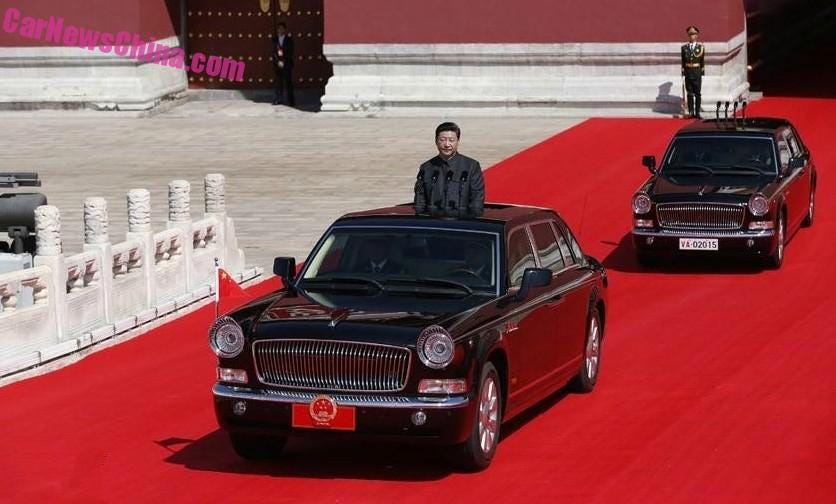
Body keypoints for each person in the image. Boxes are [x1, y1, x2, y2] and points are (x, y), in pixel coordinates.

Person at [414, 122, 485, 217]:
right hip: (432, 223)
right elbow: (420, 199)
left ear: (458, 141)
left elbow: (477, 201)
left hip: (462, 223)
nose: (447, 144)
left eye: (451, 140)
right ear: (436, 141)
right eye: (442, 140)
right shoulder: (426, 167)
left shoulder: (471, 166)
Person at [681, 25, 705, 119]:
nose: (692, 36)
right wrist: (683, 73)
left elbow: (702, 62)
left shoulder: (701, 47)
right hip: (688, 72)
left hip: (697, 72)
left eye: (694, 34)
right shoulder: (684, 48)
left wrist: (702, 73)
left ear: (697, 36)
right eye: (690, 34)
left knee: (697, 93)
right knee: (689, 93)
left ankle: (697, 112)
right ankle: (691, 112)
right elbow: (683, 62)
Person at [271, 22, 295, 106]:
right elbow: (273, 52)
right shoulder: (274, 40)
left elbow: (290, 52)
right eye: (279, 28)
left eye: (282, 28)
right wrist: (278, 61)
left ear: (285, 29)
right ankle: (278, 99)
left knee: (288, 82)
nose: (280, 30)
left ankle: (290, 100)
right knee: (278, 82)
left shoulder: (289, 40)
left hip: (287, 64)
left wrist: (283, 61)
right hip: (277, 65)